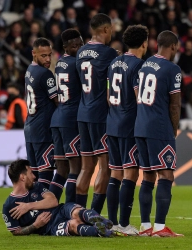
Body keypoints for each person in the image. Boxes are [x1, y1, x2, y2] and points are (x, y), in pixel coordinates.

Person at [134, 30, 183, 237]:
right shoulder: (173, 69)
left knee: (147, 177)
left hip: (140, 126)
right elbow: (175, 104)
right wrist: (173, 129)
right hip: (159, 127)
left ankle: (145, 227)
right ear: (173, 47)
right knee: (166, 175)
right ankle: (161, 227)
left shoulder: (144, 65)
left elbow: (137, 92)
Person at [106, 25, 148, 235]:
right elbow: (139, 97)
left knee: (115, 173)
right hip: (129, 125)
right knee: (130, 173)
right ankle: (124, 224)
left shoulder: (113, 63)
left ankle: (112, 222)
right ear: (144, 43)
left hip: (111, 123)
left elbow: (108, 96)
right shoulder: (139, 65)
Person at [2, 159, 114, 237]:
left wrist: (28, 206)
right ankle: (99, 230)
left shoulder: (37, 186)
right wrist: (35, 225)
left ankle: (99, 221)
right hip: (50, 227)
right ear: (22, 177)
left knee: (76, 212)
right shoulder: (9, 206)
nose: (34, 176)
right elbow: (16, 231)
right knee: (73, 225)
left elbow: (53, 201)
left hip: (60, 210)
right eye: (31, 173)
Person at [75, 13, 118, 213]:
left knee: (85, 168)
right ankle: (94, 215)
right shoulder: (109, 54)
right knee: (105, 167)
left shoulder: (81, 52)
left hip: (82, 113)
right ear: (106, 29)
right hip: (99, 115)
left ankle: (78, 213)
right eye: (112, 30)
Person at [50, 29, 84, 203]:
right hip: (70, 120)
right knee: (75, 170)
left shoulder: (61, 63)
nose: (78, 48)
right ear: (65, 47)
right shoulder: (75, 64)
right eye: (74, 46)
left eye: (80, 44)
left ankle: (48, 207)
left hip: (58, 119)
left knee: (61, 171)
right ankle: (71, 210)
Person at [24, 37, 58, 188]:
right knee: (46, 174)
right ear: (34, 53)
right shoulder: (45, 74)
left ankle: (31, 208)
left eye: (49, 55)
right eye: (43, 55)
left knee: (35, 175)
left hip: (30, 129)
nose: (47, 59)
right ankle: (42, 208)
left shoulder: (29, 70)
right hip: (43, 131)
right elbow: (57, 101)